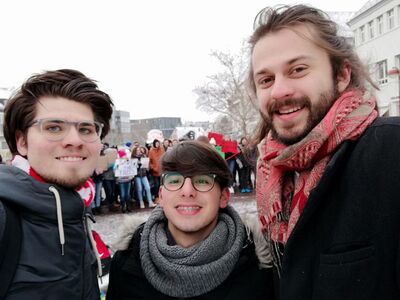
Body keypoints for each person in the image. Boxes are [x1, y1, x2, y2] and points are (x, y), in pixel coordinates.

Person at [249, 5, 400, 299]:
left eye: (298, 69)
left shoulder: (391, 151)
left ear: (342, 74)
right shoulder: (273, 175)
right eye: (266, 80)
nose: (279, 91)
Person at [106, 140, 274, 299]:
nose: (187, 191)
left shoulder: (259, 265)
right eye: (174, 180)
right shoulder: (126, 262)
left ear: (223, 196)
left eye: (202, 180)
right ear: (161, 196)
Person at [0, 69, 113, 299]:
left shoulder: (76, 210)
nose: (75, 140)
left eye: (86, 129)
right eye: (53, 128)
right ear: (22, 142)